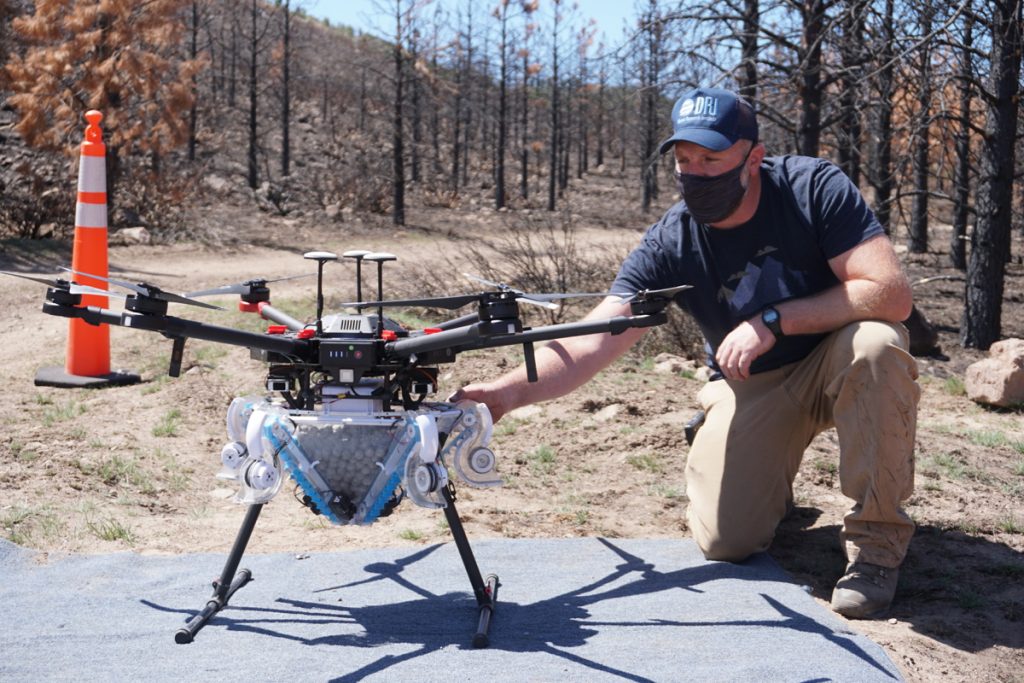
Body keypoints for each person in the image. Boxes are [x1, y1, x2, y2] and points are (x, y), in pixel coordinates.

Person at [453, 86, 919, 619]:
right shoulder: (672, 240)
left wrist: (774, 319)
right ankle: (753, 467)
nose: (695, 172)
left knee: (877, 344)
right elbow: (596, 335)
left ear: (754, 158)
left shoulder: (813, 188)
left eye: (711, 158)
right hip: (752, 383)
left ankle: (877, 546)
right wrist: (505, 394)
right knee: (728, 541)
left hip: (837, 359)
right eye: (684, 160)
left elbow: (891, 293)